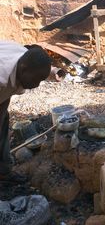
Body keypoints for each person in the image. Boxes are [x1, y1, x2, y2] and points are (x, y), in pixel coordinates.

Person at [0, 41, 51, 183]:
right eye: (36, 79)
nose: (37, 84)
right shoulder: (2, 76)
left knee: (3, 119)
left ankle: (3, 171)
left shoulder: (25, 58)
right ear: (23, 69)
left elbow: (6, 94)